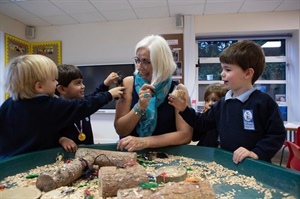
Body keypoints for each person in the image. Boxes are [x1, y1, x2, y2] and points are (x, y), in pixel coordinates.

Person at [169, 40, 286, 164]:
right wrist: (184, 109)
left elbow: (277, 134)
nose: (222, 74)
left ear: (248, 73)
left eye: (228, 69)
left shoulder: (264, 102)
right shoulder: (223, 103)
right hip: (229, 163)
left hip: (256, 166)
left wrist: (257, 152)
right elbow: (202, 122)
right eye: (222, 69)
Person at [0, 54, 125, 160]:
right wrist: (109, 95)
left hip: (7, 161)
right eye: (54, 80)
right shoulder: (49, 105)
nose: (56, 83)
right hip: (34, 161)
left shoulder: (8, 104)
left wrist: (104, 86)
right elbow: (84, 105)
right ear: (39, 87)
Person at [114, 34, 193, 152]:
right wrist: (139, 107)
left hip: (165, 158)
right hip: (130, 155)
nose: (139, 67)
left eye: (145, 62)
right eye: (137, 60)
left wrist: (145, 142)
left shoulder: (178, 90)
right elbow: (121, 130)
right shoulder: (128, 84)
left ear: (161, 63)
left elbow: (185, 135)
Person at [55, 64, 120, 152]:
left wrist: (105, 84)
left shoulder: (82, 103)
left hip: (87, 154)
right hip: (68, 157)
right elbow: (47, 133)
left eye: (82, 82)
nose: (83, 86)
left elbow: (93, 98)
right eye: (78, 83)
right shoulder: (58, 110)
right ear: (62, 89)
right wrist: (61, 139)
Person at [193, 83, 228, 147]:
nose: (210, 103)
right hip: (203, 150)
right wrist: (201, 118)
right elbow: (195, 137)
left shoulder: (224, 121)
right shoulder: (204, 119)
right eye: (207, 100)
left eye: (215, 100)